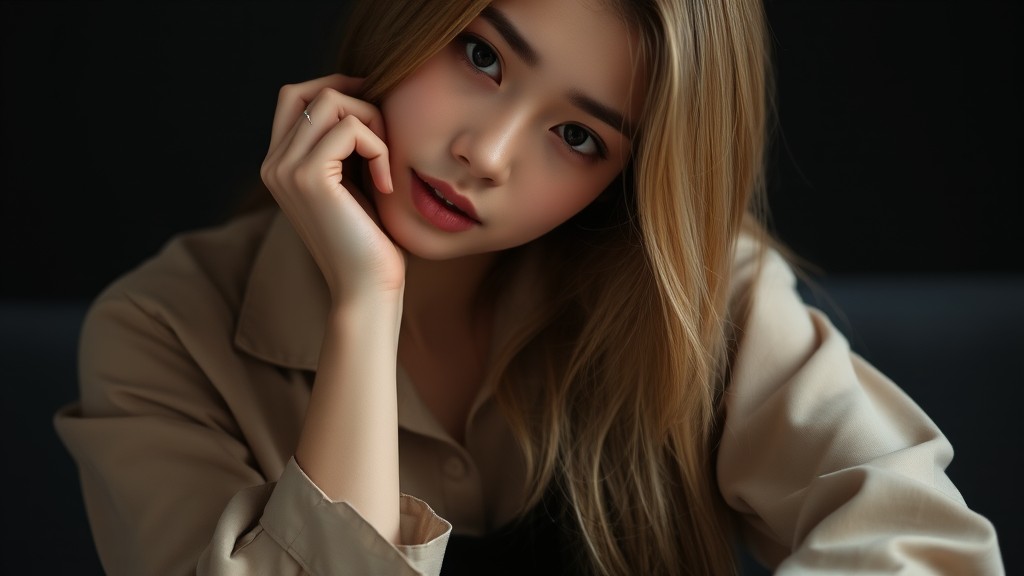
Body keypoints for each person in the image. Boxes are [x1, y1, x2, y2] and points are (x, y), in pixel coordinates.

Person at [54, 0, 1005, 574]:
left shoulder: (699, 300)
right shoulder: (161, 335)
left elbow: (925, 547)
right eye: (481, 55)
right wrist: (363, 306)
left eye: (579, 137)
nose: (485, 153)